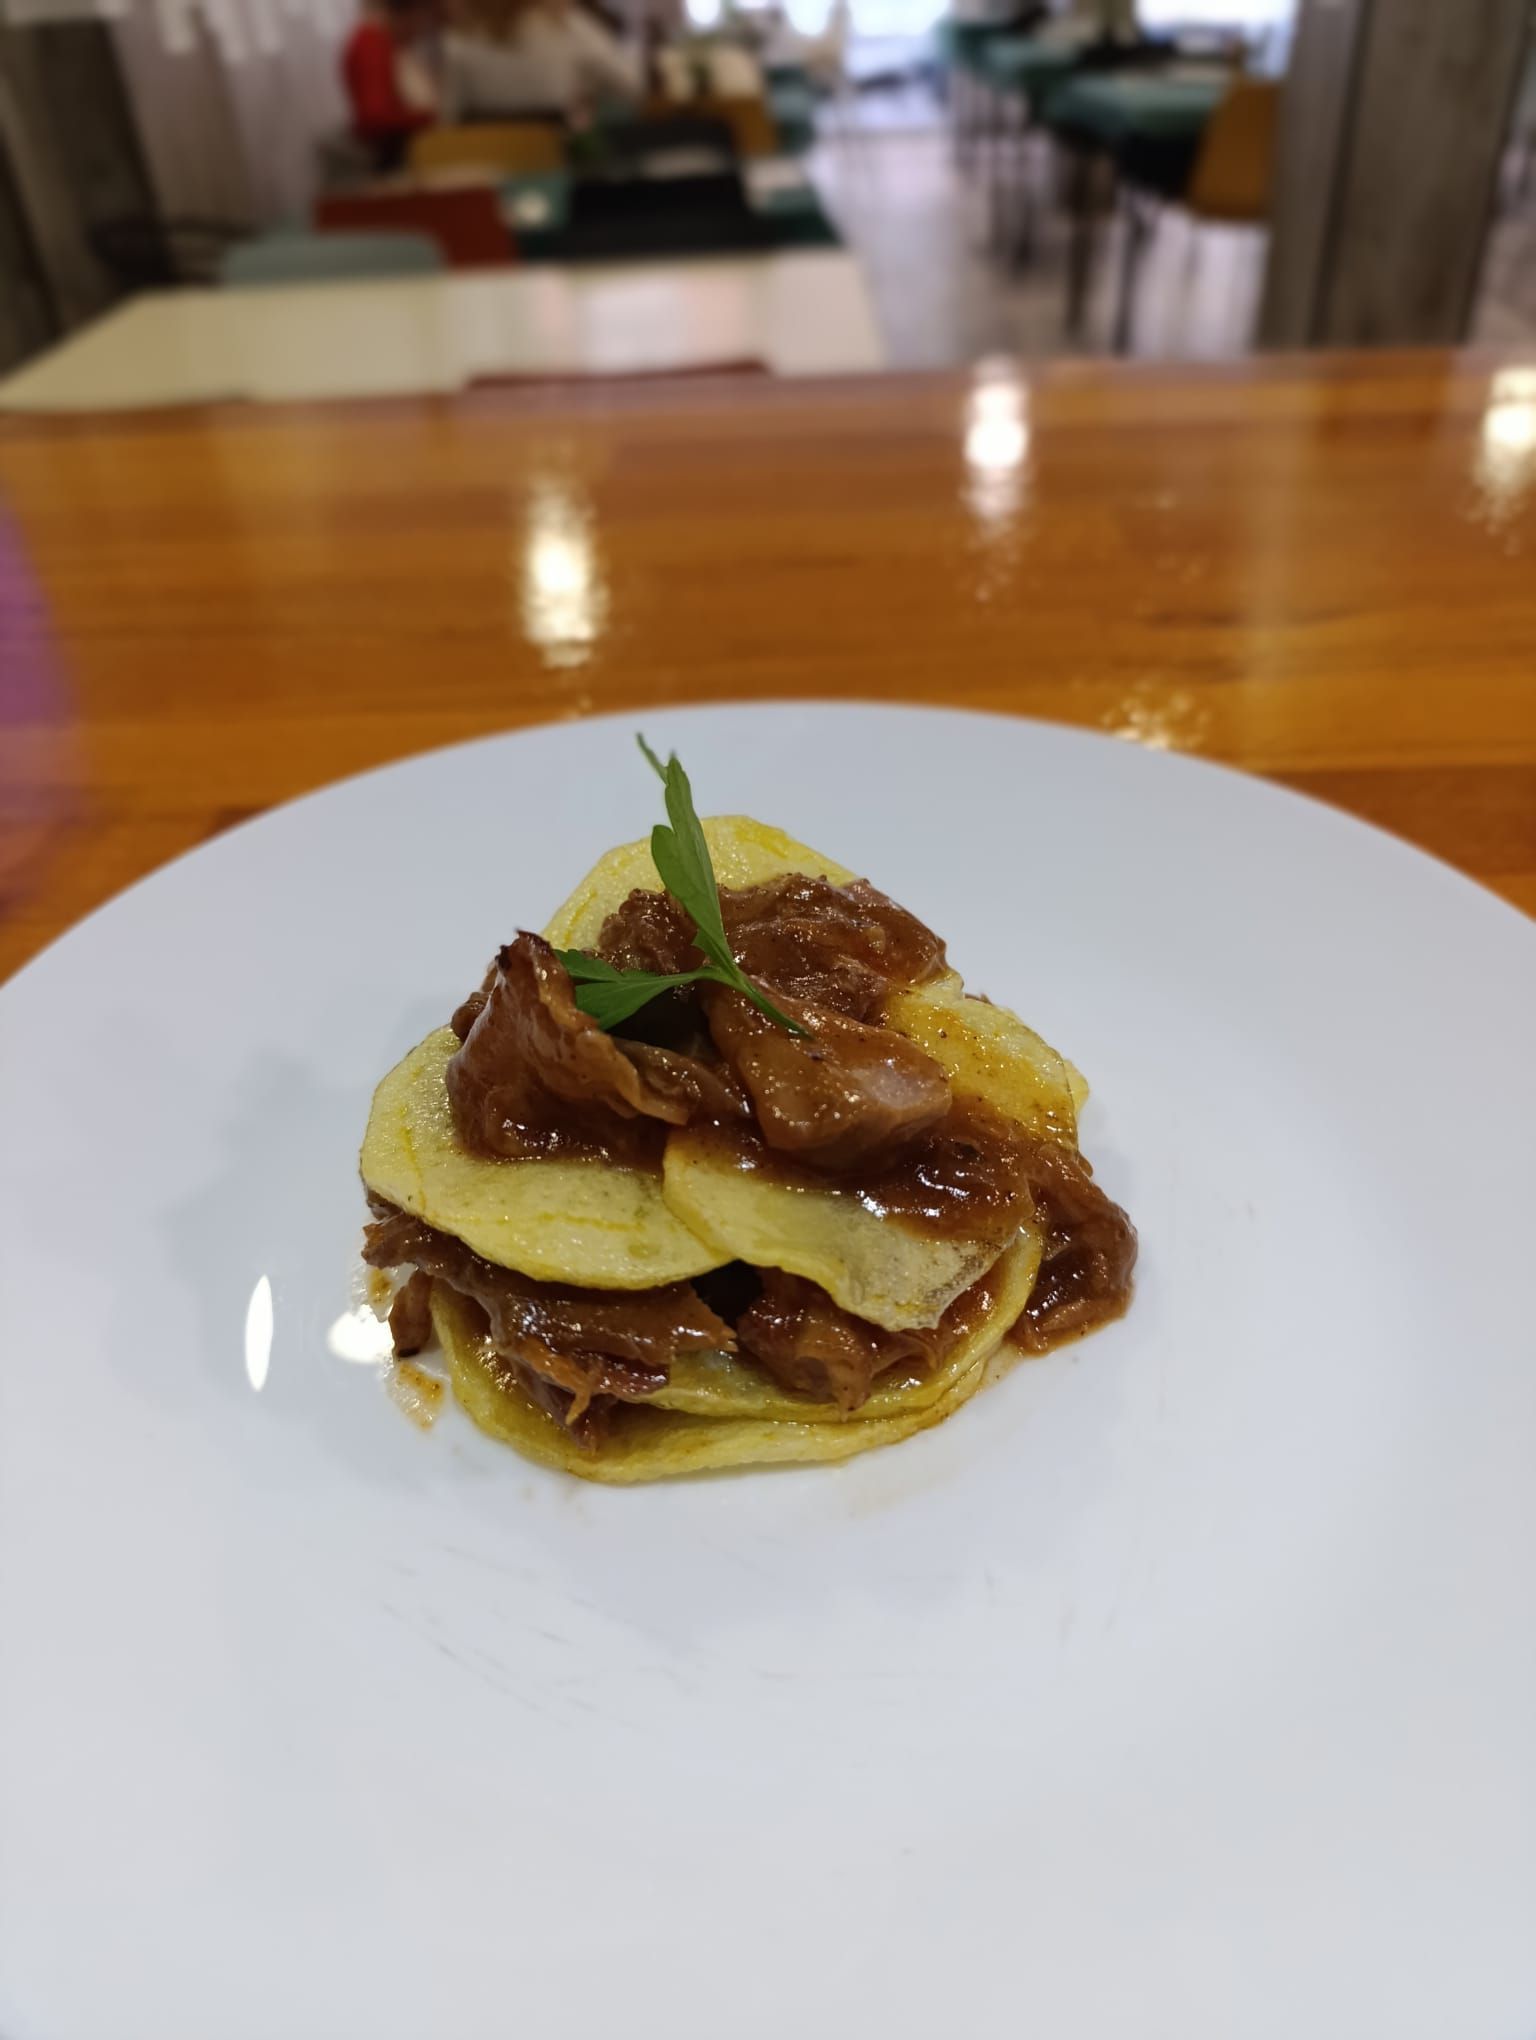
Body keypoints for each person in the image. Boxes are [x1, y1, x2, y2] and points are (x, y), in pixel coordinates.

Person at [440, 0, 640, 121]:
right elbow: (633, 87)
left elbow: (449, 121)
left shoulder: (458, 41)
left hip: (484, 169)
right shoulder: (567, 29)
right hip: (555, 168)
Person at [342, 1, 440, 170]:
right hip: (389, 156)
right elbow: (375, 117)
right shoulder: (372, 43)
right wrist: (428, 118)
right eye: (421, 20)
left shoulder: (387, 42)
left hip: (399, 148)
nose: (419, 31)